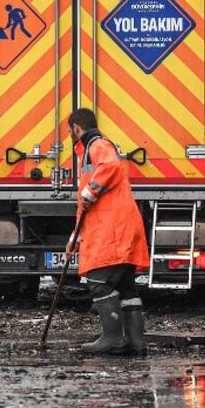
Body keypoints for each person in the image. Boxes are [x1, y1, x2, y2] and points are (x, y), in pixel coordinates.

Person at [64, 108, 150, 355]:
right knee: (125, 287)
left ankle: (112, 338)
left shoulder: (97, 145)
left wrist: (91, 190)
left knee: (99, 282)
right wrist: (75, 238)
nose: (69, 135)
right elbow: (84, 205)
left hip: (112, 230)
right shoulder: (91, 150)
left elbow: (110, 167)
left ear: (76, 129)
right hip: (120, 227)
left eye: (69, 131)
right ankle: (135, 342)